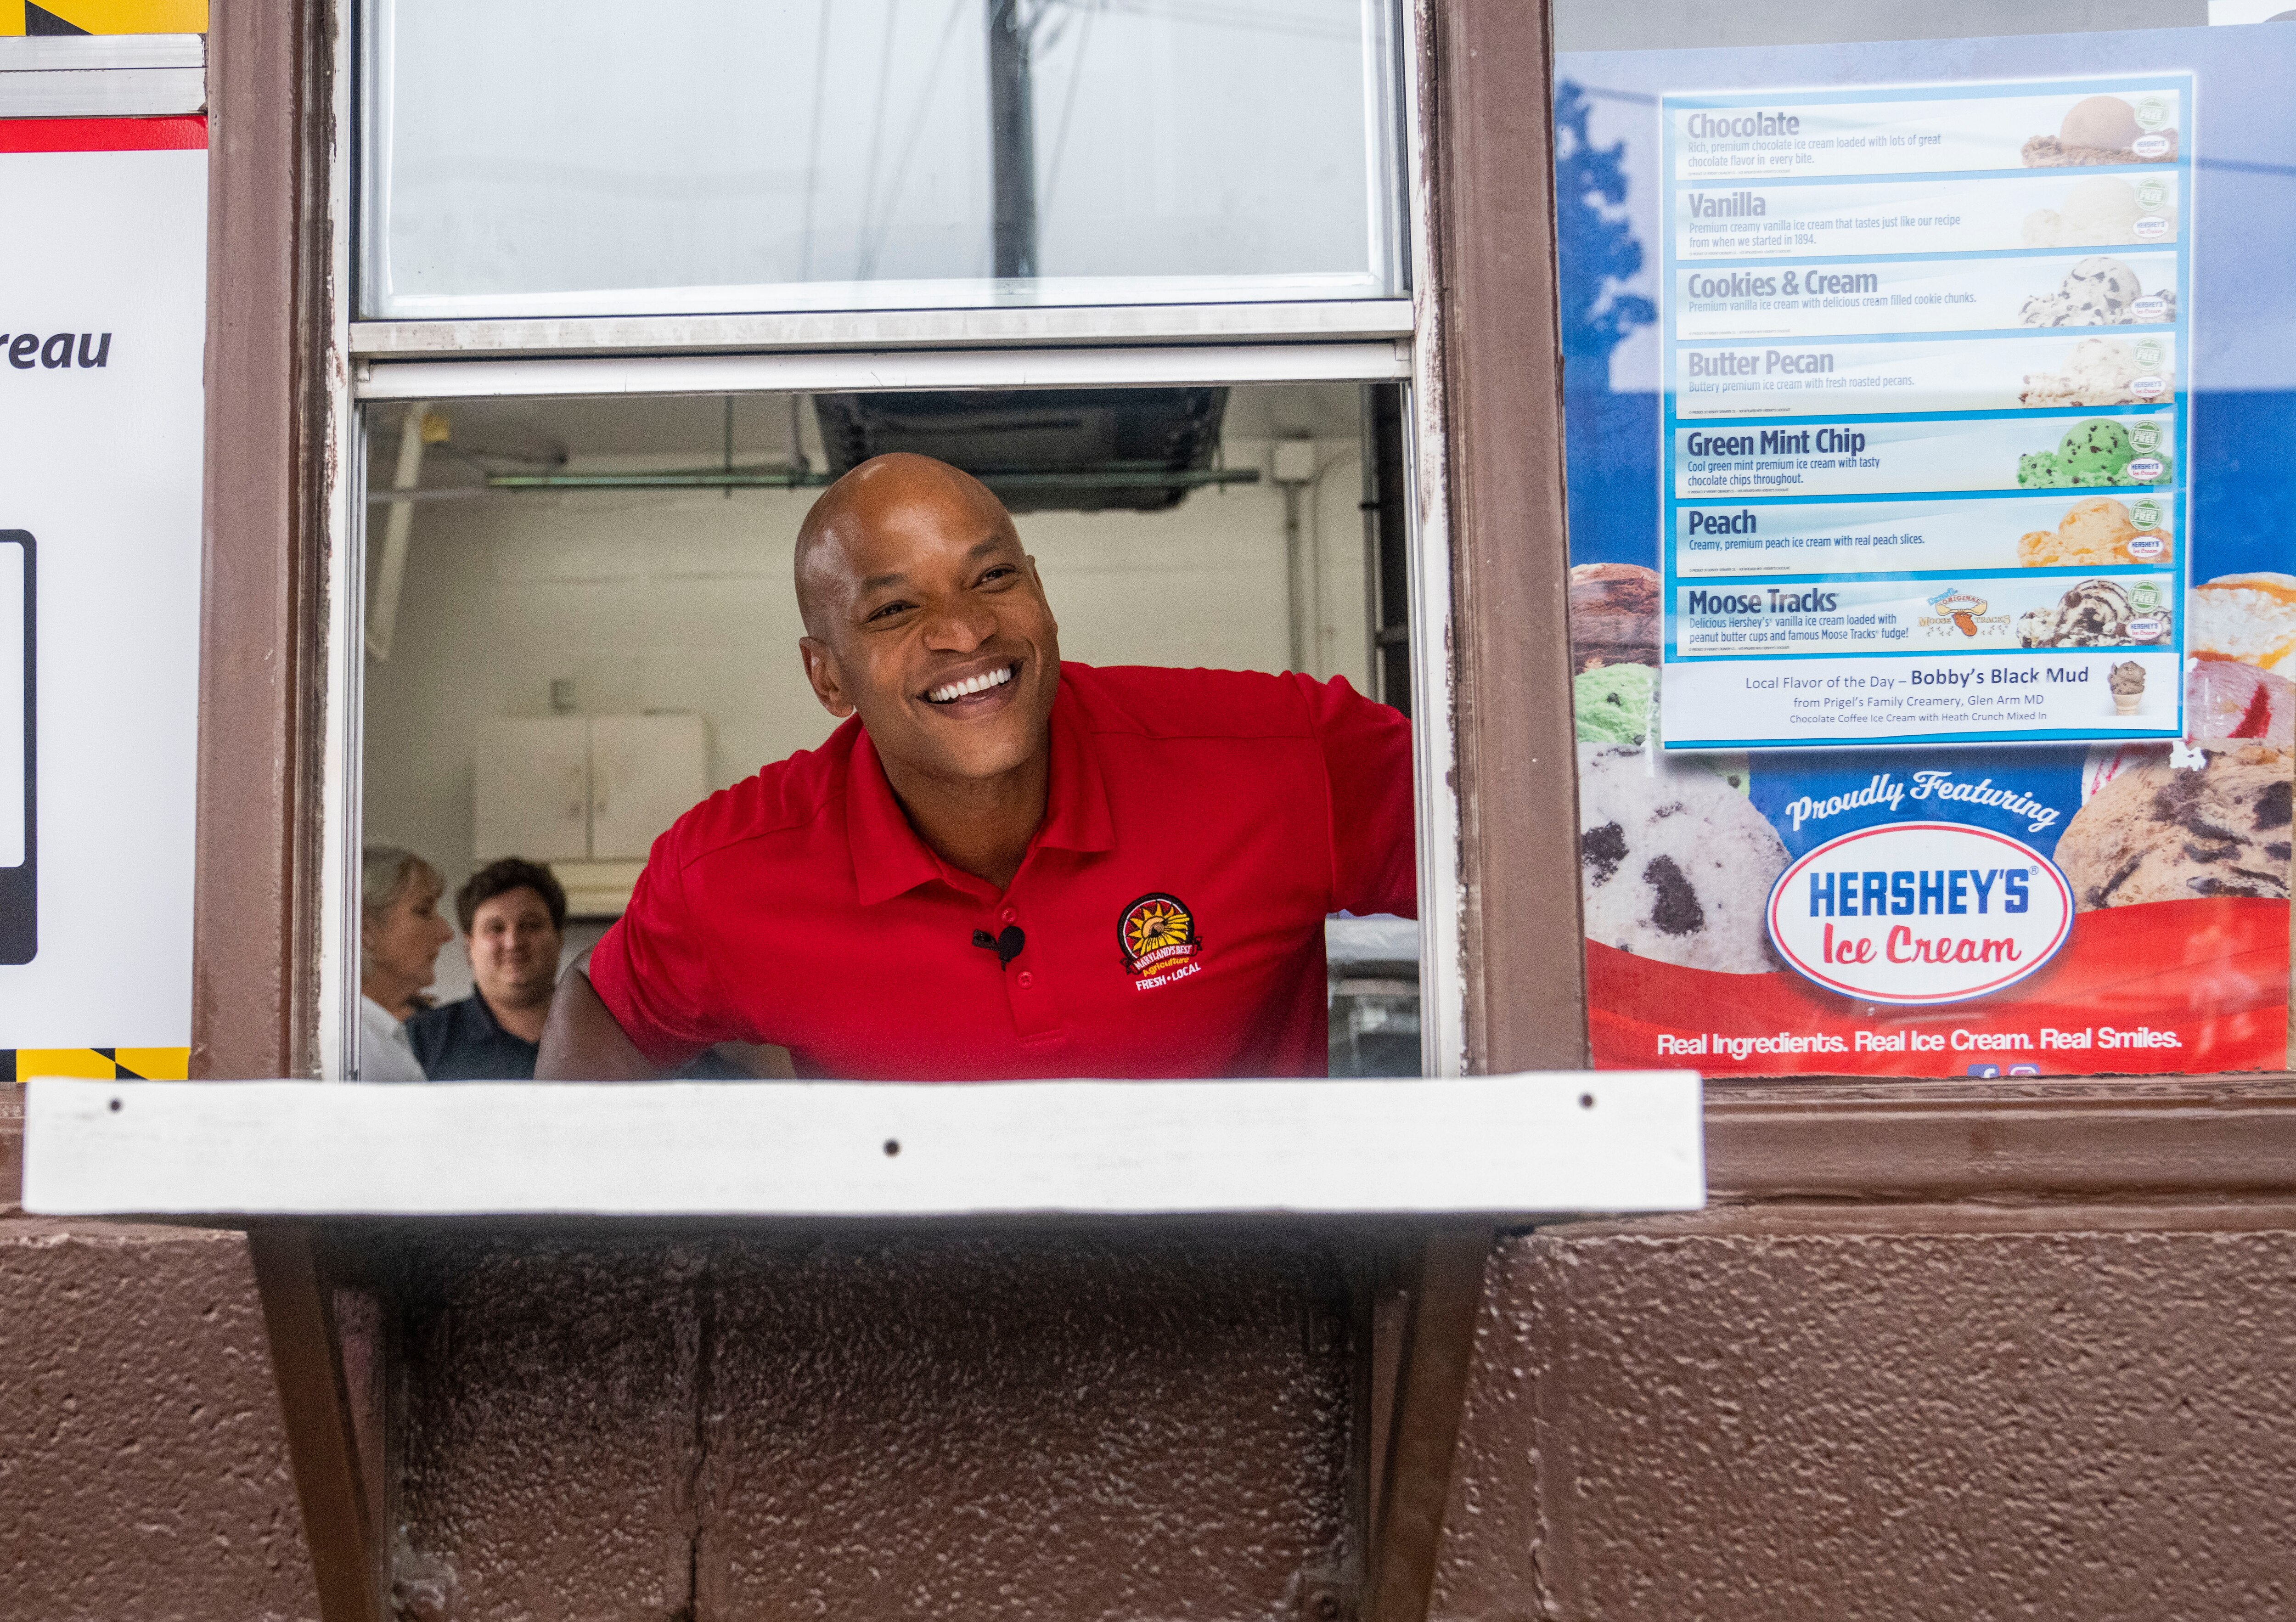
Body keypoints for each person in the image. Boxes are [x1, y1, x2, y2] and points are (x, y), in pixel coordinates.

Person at [536, 451, 1414, 1082]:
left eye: (992, 577)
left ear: (1041, 592)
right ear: (828, 676)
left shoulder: (1281, 758)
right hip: (913, 1336)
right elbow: (605, 1014)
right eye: (893, 608)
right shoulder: (728, 873)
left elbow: (1527, 866)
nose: (963, 630)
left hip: (1251, 1324)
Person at [406, 857, 566, 1081]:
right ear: (469, 946)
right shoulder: (420, 1040)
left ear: (559, 938)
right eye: (496, 929)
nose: (513, 942)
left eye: (530, 926)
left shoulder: (602, 1032)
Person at [360, 844, 452, 1082]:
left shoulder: (380, 1032)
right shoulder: (354, 1044)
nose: (446, 932)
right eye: (424, 911)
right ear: (366, 930)